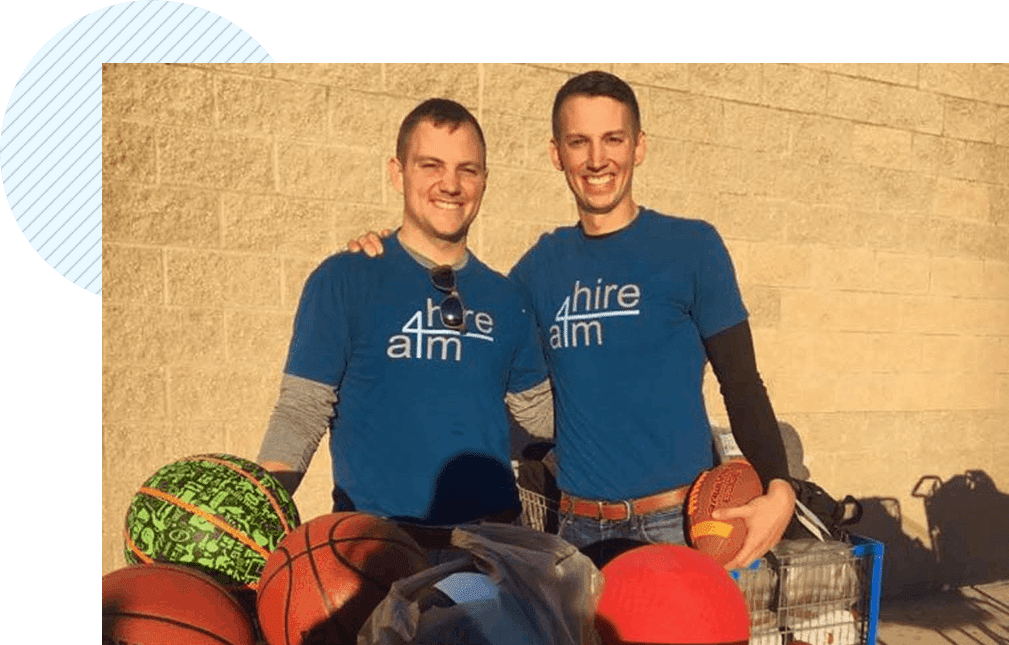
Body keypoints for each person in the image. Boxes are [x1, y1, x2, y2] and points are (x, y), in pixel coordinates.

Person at [349, 72, 795, 570]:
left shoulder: (692, 248)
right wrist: (390, 255)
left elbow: (743, 383)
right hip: (578, 532)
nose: (597, 159)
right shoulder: (538, 269)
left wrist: (781, 487)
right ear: (556, 153)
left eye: (613, 139)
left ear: (639, 146)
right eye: (578, 142)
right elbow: (461, 312)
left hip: (677, 526)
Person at [257, 98, 551, 561]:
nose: (450, 184)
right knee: (388, 634)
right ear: (398, 173)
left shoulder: (506, 297)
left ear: (484, 181)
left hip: (485, 556)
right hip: (379, 552)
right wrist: (253, 515)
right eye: (430, 165)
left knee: (479, 631)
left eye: (467, 170)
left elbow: (538, 413)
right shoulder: (345, 279)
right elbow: (302, 410)